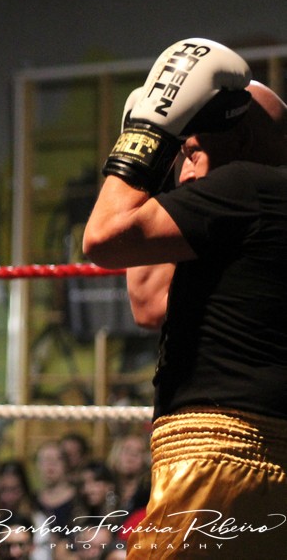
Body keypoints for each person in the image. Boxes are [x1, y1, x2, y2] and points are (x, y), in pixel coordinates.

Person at [83, 37, 287, 556]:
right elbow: (149, 300)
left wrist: (148, 133)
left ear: (241, 139)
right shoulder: (256, 210)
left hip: (222, 455)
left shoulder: (247, 187)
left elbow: (103, 238)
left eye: (192, 151)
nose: (186, 171)